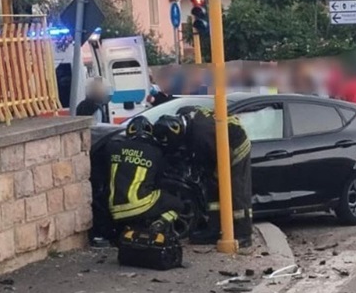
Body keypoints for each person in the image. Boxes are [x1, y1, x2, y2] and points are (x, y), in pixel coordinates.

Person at [168, 106, 254, 248]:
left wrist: (215, 172)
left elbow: (218, 156)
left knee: (236, 189)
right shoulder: (191, 118)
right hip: (220, 143)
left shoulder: (200, 133)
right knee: (212, 188)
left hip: (235, 146)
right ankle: (215, 229)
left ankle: (244, 234)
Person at [106, 116, 182, 234]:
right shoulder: (155, 152)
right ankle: (160, 224)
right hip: (141, 204)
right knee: (177, 204)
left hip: (114, 209)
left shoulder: (115, 148)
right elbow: (160, 179)